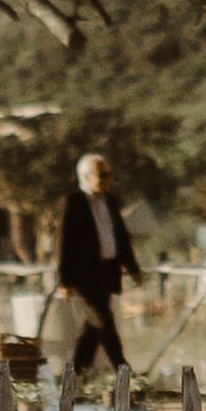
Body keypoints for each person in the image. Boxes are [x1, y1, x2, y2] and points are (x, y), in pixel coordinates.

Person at [44, 151, 141, 380]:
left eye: (109, 174)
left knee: (94, 328)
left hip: (107, 271)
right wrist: (64, 280)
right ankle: (125, 373)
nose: (108, 180)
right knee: (104, 322)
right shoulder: (74, 202)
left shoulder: (110, 202)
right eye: (102, 175)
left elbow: (121, 238)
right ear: (86, 177)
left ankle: (75, 374)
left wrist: (133, 267)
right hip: (85, 276)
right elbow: (64, 243)